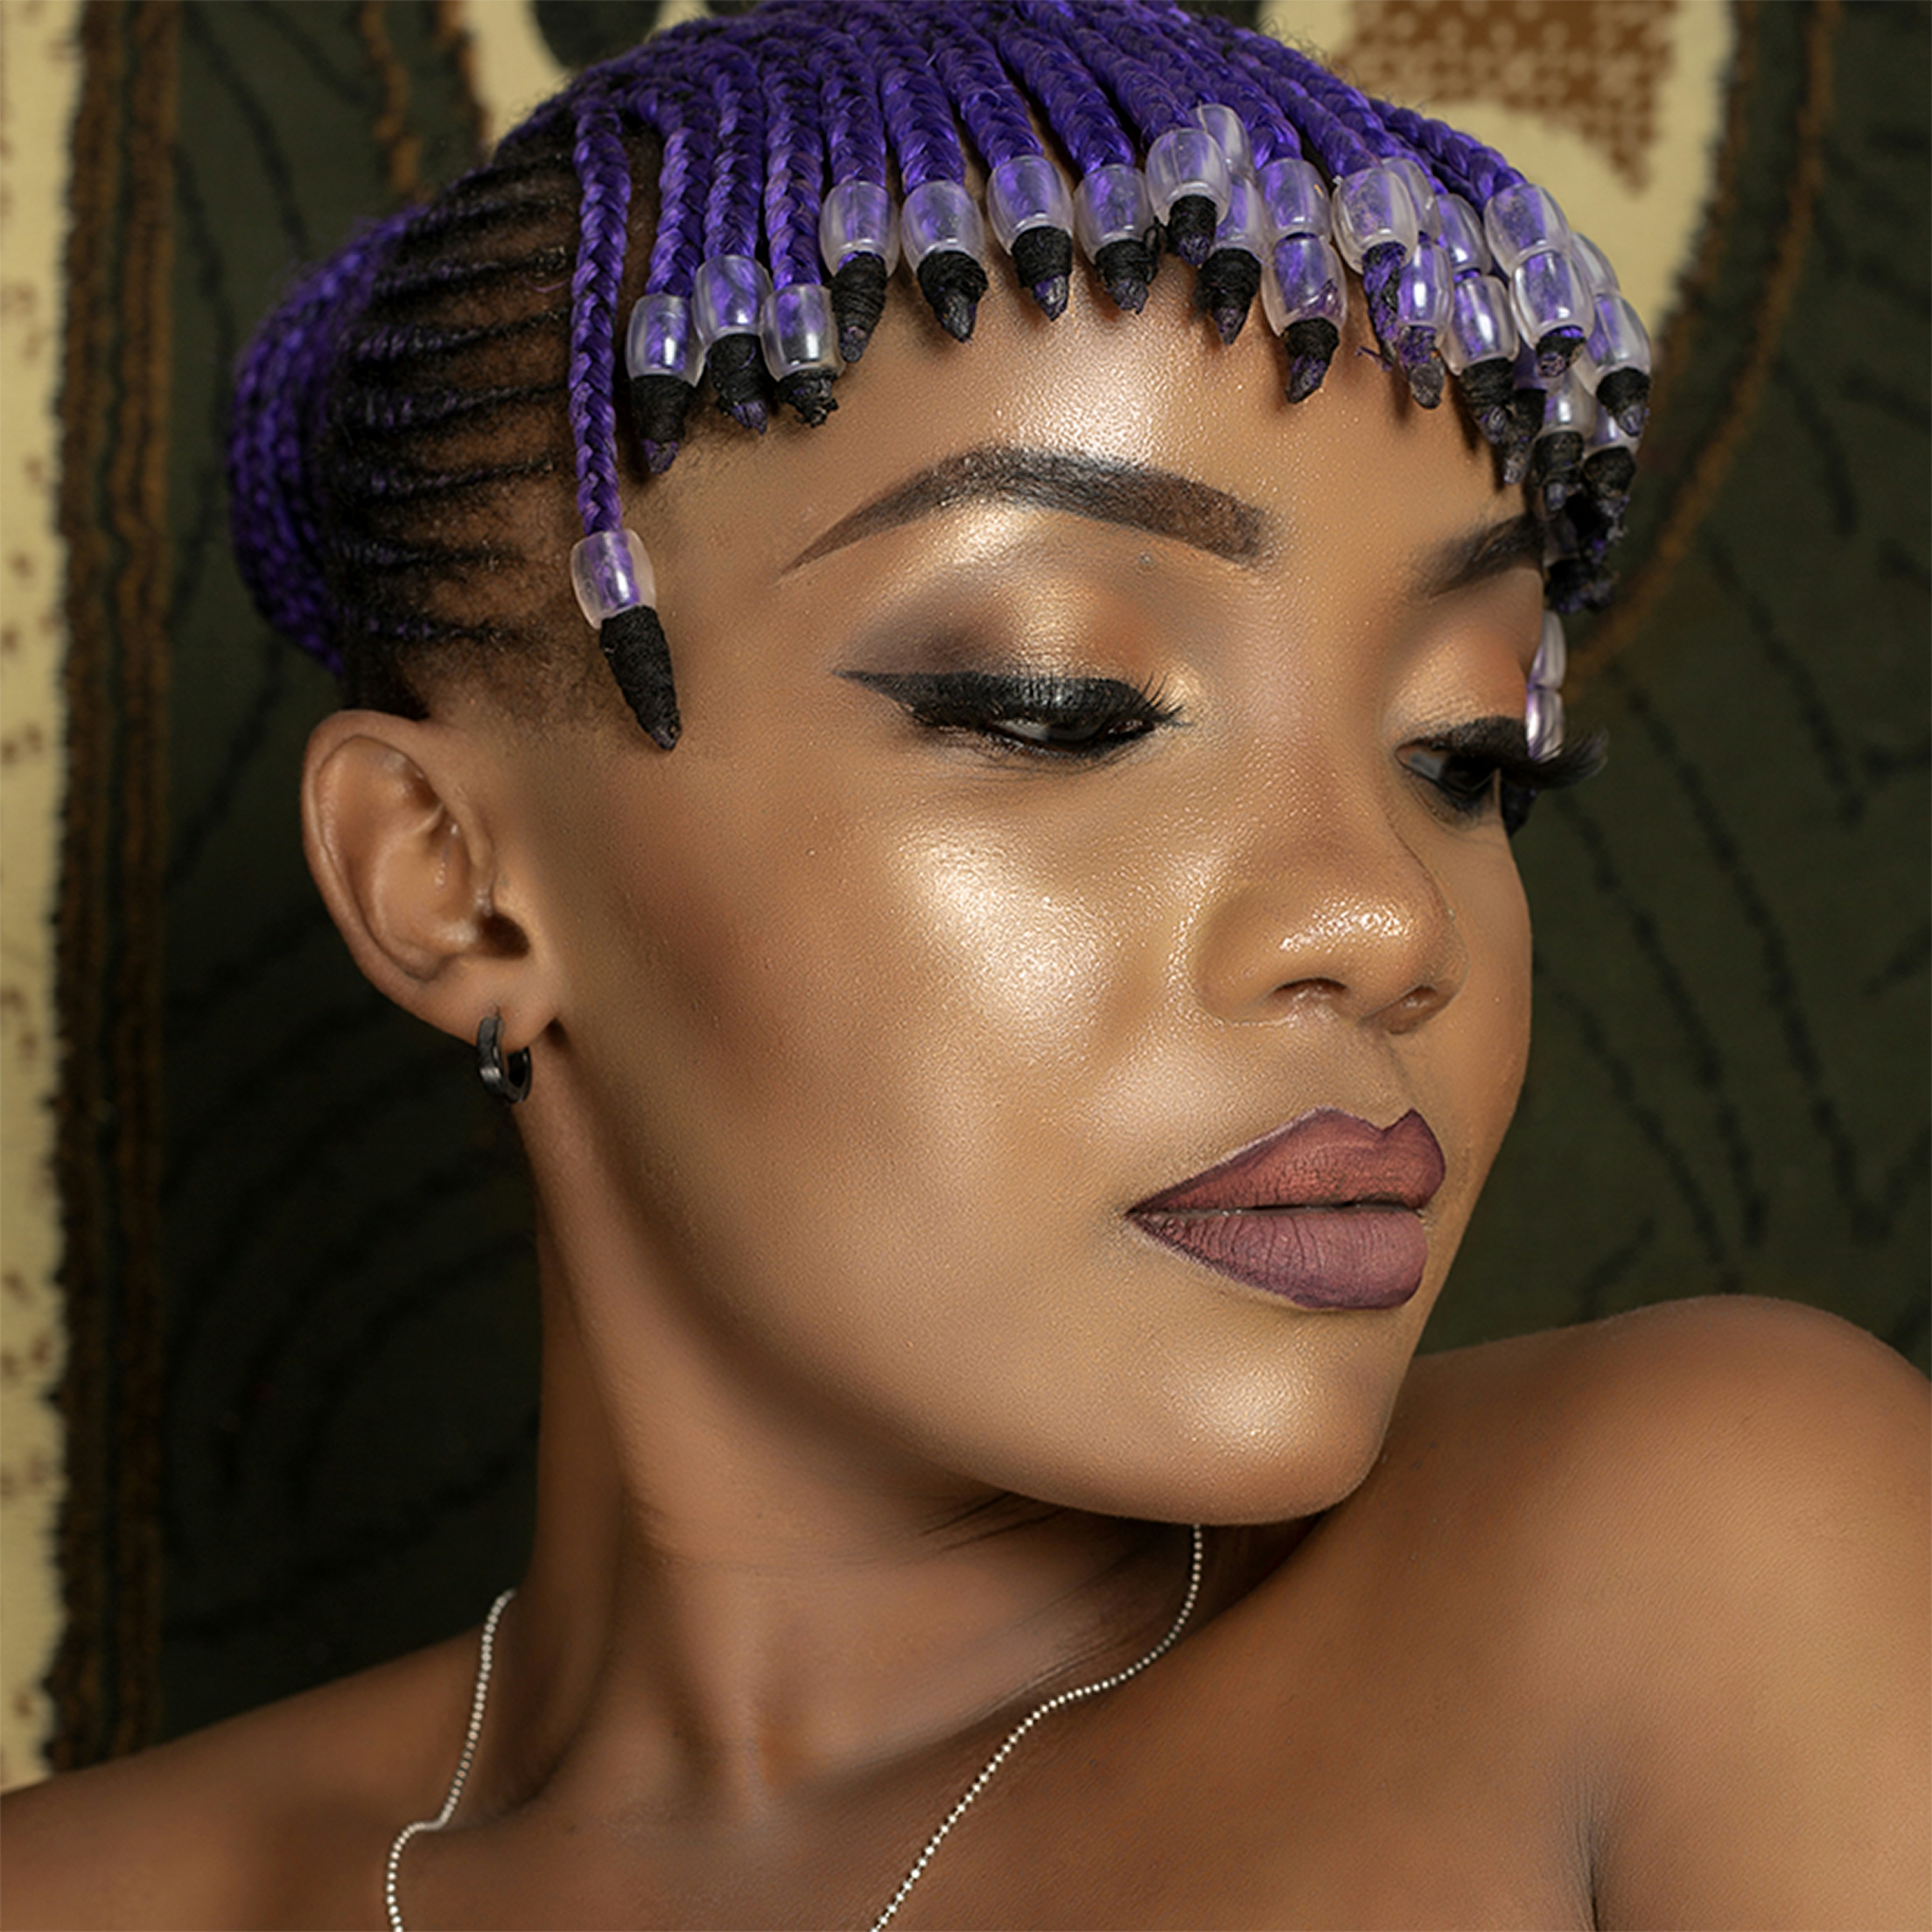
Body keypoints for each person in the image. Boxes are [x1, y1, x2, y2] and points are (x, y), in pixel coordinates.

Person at [4, 3, 1925, 1927]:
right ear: (449, 883)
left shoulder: (1699, 1567)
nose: (1384, 920)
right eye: (1060, 704)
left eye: (1464, 753)